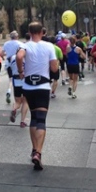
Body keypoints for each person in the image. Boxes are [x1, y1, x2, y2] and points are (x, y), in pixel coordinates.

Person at [16, 22, 59, 170]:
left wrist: (21, 72)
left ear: (29, 32)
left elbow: (19, 56)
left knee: (33, 118)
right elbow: (54, 67)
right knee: (41, 119)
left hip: (28, 86)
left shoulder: (25, 46)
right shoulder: (49, 46)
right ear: (42, 32)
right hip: (42, 86)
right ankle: (38, 153)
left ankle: (34, 148)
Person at [5, 35, 29, 127]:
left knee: (18, 101)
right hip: (25, 79)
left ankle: (14, 109)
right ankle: (22, 121)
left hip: (16, 79)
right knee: (26, 101)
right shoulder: (27, 58)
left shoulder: (11, 58)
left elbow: (8, 67)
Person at [3, 31, 22, 104]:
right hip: (16, 63)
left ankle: (9, 91)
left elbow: (1, 53)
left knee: (11, 79)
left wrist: (4, 56)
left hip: (8, 63)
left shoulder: (6, 43)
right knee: (18, 79)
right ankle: (19, 97)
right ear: (17, 37)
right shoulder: (20, 44)